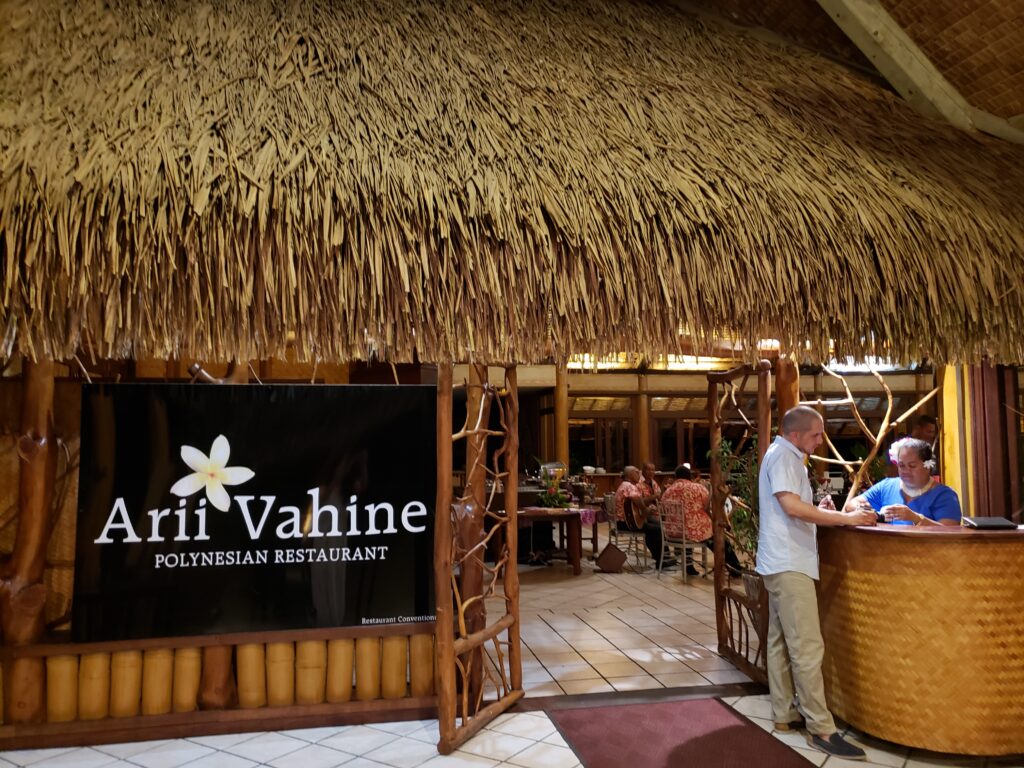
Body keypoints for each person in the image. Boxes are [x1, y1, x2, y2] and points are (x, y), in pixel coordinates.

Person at [758, 406, 876, 760]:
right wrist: (843, 518)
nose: (820, 440)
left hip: (780, 561)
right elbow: (791, 507)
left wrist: (822, 509)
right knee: (807, 647)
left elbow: (794, 506)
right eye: (815, 434)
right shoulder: (784, 457)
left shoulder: (785, 455)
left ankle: (784, 715)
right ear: (795, 434)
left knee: (780, 642)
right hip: (788, 563)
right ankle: (821, 729)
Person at [844, 437, 960, 525]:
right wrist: (874, 513)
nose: (905, 470)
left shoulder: (945, 495)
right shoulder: (886, 486)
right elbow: (850, 506)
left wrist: (916, 518)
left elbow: (950, 533)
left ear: (927, 466)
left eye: (912, 466)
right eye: (901, 465)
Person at [614, 466, 675, 568]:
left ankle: (661, 557)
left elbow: (634, 505)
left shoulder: (623, 485)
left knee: (652, 527)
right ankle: (662, 560)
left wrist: (645, 512)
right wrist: (646, 510)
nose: (639, 475)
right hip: (627, 524)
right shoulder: (629, 486)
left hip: (623, 522)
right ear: (631, 474)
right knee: (657, 529)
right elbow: (637, 501)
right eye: (637, 472)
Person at [661, 464, 713, 575]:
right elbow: (708, 506)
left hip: (672, 533)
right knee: (716, 535)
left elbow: (662, 511)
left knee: (690, 526)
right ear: (689, 475)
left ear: (676, 476)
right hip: (691, 532)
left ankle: (689, 567)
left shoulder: (667, 491)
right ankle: (734, 567)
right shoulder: (697, 488)